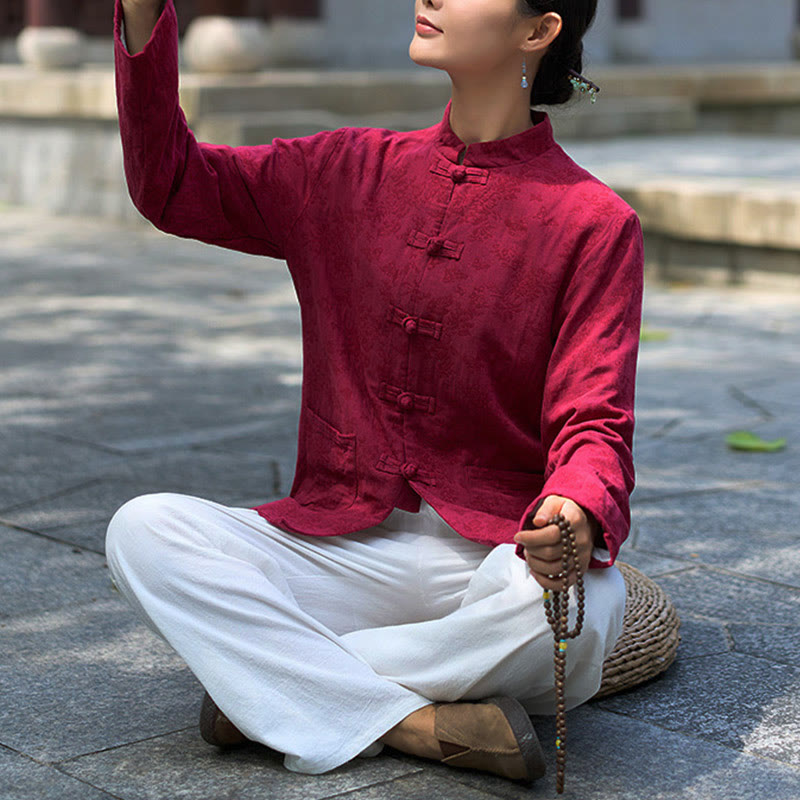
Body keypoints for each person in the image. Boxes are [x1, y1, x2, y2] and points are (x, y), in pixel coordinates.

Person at [105, 0, 643, 786]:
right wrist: (146, 15)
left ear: (538, 30)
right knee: (142, 531)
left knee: (589, 612)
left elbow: (594, 422)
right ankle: (418, 722)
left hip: (488, 565)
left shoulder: (595, 223)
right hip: (341, 553)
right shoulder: (343, 170)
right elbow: (173, 183)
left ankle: (277, 691)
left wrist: (575, 507)